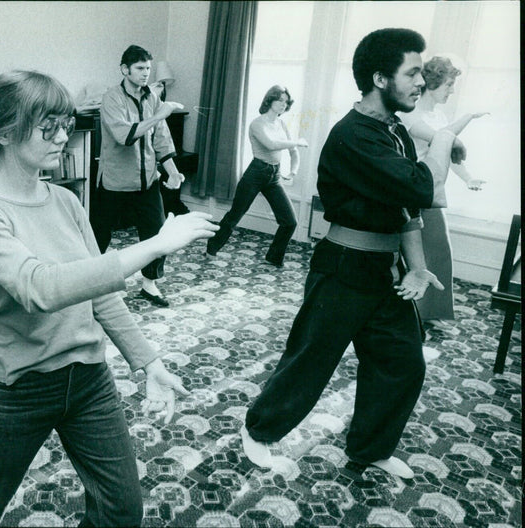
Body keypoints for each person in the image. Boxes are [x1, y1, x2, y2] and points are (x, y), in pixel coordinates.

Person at [0, 70, 218, 527]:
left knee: (121, 511)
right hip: (16, 388)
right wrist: (153, 245)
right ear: (6, 132)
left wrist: (149, 362)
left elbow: (100, 293)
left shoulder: (66, 201)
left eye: (66, 125)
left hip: (88, 379)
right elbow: (41, 288)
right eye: (49, 126)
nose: (63, 137)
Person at [240, 28, 459, 480]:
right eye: (413, 73)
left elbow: (407, 207)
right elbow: (424, 186)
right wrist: (443, 139)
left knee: (402, 362)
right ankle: (258, 432)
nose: (422, 82)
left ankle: (369, 448)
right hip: (342, 268)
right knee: (310, 361)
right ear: (380, 78)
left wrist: (417, 267)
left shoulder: (392, 128)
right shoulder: (354, 136)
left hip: (383, 271)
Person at [90, 44, 186, 307]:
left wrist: (174, 173)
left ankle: (149, 284)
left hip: (148, 183)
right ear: (125, 69)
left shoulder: (152, 99)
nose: (146, 74)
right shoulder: (111, 98)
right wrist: (160, 115)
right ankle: (88, 285)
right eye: (140, 68)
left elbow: (162, 141)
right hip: (115, 183)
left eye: (148, 69)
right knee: (100, 235)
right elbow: (125, 136)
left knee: (157, 234)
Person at [398, 56, 488, 324]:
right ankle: (414, 312)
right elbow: (441, 138)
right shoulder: (410, 113)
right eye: (448, 85)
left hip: (432, 191)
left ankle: (432, 312)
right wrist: (467, 118)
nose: (451, 90)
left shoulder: (439, 115)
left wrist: (468, 177)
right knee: (415, 256)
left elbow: (448, 152)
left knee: (439, 250)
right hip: (412, 190)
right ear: (433, 83)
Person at [205, 85, 308, 266]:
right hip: (256, 173)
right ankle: (212, 247)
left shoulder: (281, 123)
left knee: (290, 221)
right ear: (269, 101)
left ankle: (274, 257)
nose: (283, 104)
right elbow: (271, 144)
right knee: (234, 216)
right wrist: (297, 141)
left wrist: (292, 172)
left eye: (286, 102)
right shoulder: (257, 123)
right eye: (280, 100)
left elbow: (293, 152)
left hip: (274, 176)